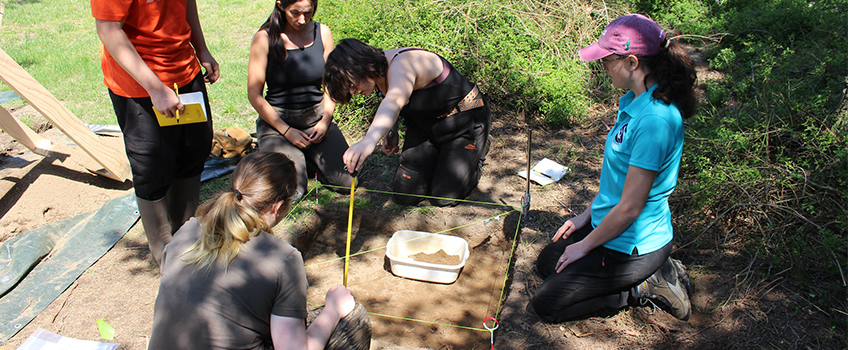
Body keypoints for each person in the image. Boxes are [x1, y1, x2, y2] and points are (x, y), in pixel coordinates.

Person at [530, 14, 697, 323]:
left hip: (633, 244)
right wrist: (584, 219)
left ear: (632, 62)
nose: (603, 66)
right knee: (547, 263)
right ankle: (618, 271)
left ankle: (645, 285)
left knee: (546, 306)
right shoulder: (633, 101)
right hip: (610, 227)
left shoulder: (654, 121)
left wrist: (584, 246)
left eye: (607, 59)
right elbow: (617, 182)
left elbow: (631, 207)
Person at [148, 152, 372, 350]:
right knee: (353, 318)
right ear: (278, 206)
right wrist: (332, 309)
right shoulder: (284, 259)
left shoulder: (188, 229)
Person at [91, 0, 219, 264]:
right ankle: (165, 253)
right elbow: (108, 29)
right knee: (152, 165)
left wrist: (201, 48)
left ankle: (187, 237)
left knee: (194, 150)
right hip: (137, 84)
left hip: (185, 71)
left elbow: (187, 3)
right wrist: (155, 88)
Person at [323, 38, 490, 206]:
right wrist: (391, 131)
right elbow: (390, 101)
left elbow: (394, 100)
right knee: (405, 195)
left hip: (463, 123)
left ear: (362, 66)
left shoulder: (403, 64)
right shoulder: (376, 73)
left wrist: (368, 141)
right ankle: (440, 158)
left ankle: (477, 151)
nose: (353, 91)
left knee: (444, 196)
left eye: (352, 84)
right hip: (424, 127)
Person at [248, 0, 352, 196]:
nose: (302, 19)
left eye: (308, 12)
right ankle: (283, 155)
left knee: (347, 182)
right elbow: (254, 94)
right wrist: (286, 131)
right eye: (295, 13)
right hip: (278, 123)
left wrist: (325, 120)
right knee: (293, 191)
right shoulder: (264, 38)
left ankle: (308, 158)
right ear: (281, 5)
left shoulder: (322, 32)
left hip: (316, 117)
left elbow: (331, 83)